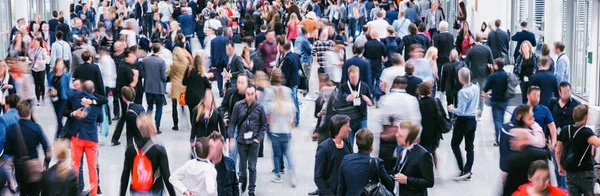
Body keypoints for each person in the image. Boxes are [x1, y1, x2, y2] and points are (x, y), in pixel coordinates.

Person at [119, 113, 176, 196]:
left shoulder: (131, 149)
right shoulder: (159, 150)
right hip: (155, 190)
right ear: (153, 128)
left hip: (136, 191)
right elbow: (167, 177)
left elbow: (125, 176)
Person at [5, 100, 51, 195]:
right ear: (30, 111)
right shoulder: (36, 128)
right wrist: (46, 163)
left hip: (19, 166)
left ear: (18, 113)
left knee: (22, 191)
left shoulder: (11, 129)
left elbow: (7, 150)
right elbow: (47, 148)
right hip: (33, 167)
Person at [227, 84, 266, 196]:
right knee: (242, 166)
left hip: (254, 142)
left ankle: (251, 190)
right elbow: (232, 123)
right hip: (241, 141)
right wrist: (231, 138)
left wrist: (259, 138)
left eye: (252, 94)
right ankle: (243, 180)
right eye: (248, 94)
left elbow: (263, 125)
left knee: (252, 166)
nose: (250, 96)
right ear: (245, 94)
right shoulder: (238, 106)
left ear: (255, 94)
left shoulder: (259, 107)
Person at [379, 75, 421, 172]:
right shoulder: (412, 100)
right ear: (405, 86)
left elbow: (384, 120)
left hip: (392, 137)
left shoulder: (386, 99)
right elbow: (417, 119)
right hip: (409, 136)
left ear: (393, 84)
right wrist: (417, 136)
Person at [556, 104, 600, 196]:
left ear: (573, 116)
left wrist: (560, 166)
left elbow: (558, 151)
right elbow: (597, 143)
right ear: (585, 116)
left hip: (570, 172)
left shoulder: (564, 130)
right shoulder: (586, 132)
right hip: (586, 173)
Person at [337, 129, 394, 195]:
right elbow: (390, 185)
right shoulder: (376, 163)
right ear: (371, 146)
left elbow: (340, 189)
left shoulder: (346, 160)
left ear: (357, 144)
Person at [448, 68, 479, 180]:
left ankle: (462, 168)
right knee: (469, 146)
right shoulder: (476, 88)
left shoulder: (462, 92)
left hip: (463, 121)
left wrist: (451, 109)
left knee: (455, 144)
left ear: (460, 78)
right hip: (472, 120)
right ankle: (468, 169)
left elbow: (461, 111)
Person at [501, 128, 549, 196]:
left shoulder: (514, 160)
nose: (511, 141)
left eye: (514, 139)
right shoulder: (542, 154)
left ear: (523, 140)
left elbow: (509, 187)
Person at [314, 115, 352, 196]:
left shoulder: (347, 143)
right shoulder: (324, 148)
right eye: (347, 127)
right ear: (339, 128)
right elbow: (318, 177)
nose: (350, 129)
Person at [393, 121, 435, 195]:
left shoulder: (423, 155)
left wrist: (407, 180)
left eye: (400, 135)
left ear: (409, 138)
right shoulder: (401, 150)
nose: (396, 135)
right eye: (397, 133)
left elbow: (429, 182)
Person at [266, 84, 297, 185]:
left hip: (275, 133)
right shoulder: (290, 105)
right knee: (287, 154)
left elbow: (269, 121)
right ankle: (292, 173)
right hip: (286, 133)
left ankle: (277, 175)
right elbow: (293, 121)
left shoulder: (272, 105)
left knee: (276, 155)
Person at [465, 33, 493, 119]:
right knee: (482, 92)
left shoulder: (471, 50)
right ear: (482, 39)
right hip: (484, 73)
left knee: (472, 92)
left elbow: (466, 62)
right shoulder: (487, 49)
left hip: (473, 73)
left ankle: (472, 109)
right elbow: (491, 61)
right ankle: (480, 111)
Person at [111, 50, 137, 146]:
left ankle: (116, 137)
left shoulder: (122, 65)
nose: (133, 58)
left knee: (125, 116)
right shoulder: (127, 69)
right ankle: (116, 137)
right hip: (126, 95)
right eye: (131, 56)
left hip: (121, 93)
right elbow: (132, 83)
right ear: (127, 57)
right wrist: (136, 76)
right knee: (126, 115)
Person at [482, 58, 509, 145]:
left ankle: (499, 138)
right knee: (501, 119)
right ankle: (501, 135)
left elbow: (486, 87)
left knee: (497, 120)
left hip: (495, 100)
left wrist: (484, 94)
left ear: (496, 65)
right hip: (505, 100)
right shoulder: (506, 75)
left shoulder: (493, 76)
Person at [143, 43, 168, 130]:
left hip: (148, 87)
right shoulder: (161, 61)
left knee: (149, 106)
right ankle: (156, 127)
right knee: (159, 108)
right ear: (159, 50)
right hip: (158, 87)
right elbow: (164, 77)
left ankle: (147, 125)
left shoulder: (145, 60)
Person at [278, 40, 301, 126]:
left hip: (290, 83)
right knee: (295, 100)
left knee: (292, 102)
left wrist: (282, 84)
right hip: (295, 81)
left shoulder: (287, 59)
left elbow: (285, 74)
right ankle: (297, 119)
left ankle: (295, 120)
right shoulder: (295, 55)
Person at [169, 47, 192, 130]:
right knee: (184, 104)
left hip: (175, 86)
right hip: (183, 86)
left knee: (174, 106)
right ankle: (188, 121)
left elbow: (170, 75)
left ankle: (175, 124)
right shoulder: (186, 62)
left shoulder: (174, 64)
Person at [48, 59, 71, 139]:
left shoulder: (66, 75)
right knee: (58, 117)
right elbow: (49, 84)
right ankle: (62, 133)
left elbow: (68, 87)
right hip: (54, 98)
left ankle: (58, 135)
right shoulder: (51, 74)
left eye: (61, 64)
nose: (59, 66)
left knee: (59, 116)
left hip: (64, 98)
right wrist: (51, 89)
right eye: (58, 64)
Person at [363, 31, 387, 102]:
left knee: (370, 80)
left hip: (369, 65)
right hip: (378, 64)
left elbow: (364, 55)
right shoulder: (381, 44)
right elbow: (385, 55)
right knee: (377, 80)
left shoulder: (367, 44)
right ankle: (376, 93)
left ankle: (371, 94)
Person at [28, 37, 48, 105]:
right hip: (34, 69)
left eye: (36, 42)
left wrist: (40, 62)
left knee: (41, 83)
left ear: (39, 42)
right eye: (34, 42)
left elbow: (46, 60)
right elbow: (30, 58)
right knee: (36, 84)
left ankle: (43, 96)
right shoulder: (31, 50)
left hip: (41, 68)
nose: (35, 43)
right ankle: (38, 99)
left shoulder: (43, 50)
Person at [211, 28, 231, 96]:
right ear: (222, 32)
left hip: (217, 60)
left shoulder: (213, 41)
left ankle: (220, 91)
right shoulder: (226, 39)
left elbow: (212, 52)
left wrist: (212, 63)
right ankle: (228, 88)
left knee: (219, 76)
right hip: (225, 59)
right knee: (228, 74)